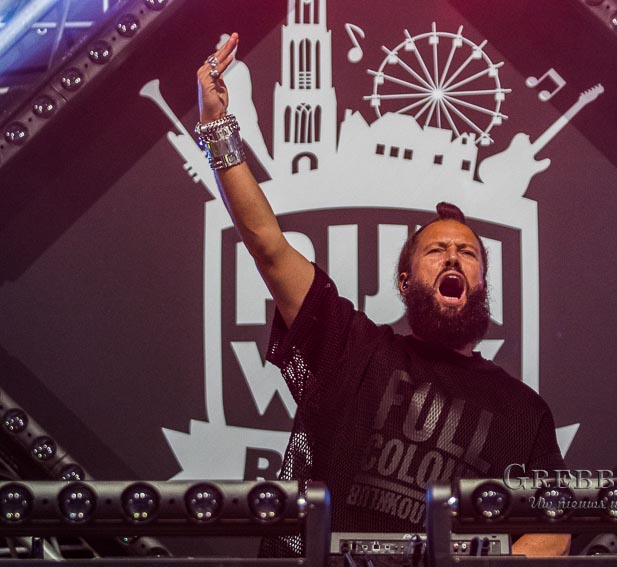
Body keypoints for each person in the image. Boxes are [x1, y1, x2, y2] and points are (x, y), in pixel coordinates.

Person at [196, 33, 570, 558]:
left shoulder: (523, 411)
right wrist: (217, 127)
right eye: (436, 250)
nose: (453, 257)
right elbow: (268, 247)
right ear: (404, 280)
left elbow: (555, 528)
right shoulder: (353, 349)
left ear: (482, 284)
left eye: (468, 253)